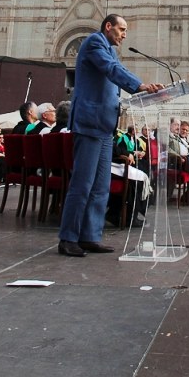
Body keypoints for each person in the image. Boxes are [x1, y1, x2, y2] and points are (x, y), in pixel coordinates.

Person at [58, 14, 163, 257]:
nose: (125, 34)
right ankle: (68, 238)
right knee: (82, 185)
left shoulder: (109, 50)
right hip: (89, 124)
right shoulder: (94, 43)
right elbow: (112, 69)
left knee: (100, 187)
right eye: (122, 29)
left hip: (105, 127)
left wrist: (141, 90)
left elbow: (118, 69)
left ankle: (90, 236)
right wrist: (139, 85)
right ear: (108, 26)